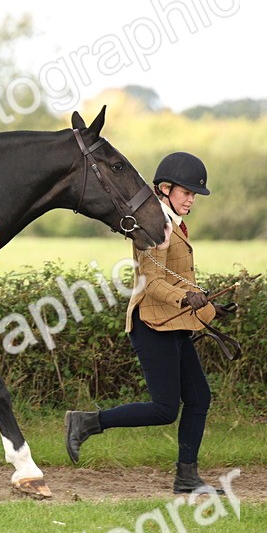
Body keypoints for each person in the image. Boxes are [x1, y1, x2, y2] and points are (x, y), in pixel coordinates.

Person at [64, 151, 227, 495]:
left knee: (199, 397)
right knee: (165, 409)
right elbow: (151, 283)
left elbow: (176, 275)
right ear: (165, 189)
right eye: (187, 193)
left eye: (194, 195)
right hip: (152, 324)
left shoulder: (171, 222)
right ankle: (87, 422)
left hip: (174, 323)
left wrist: (206, 302)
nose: (192, 200)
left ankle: (186, 478)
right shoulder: (156, 226)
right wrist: (185, 299)